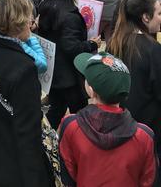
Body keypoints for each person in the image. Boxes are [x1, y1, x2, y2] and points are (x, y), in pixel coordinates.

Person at [0, 0, 53, 187]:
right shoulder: (24, 68)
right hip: (16, 169)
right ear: (16, 25)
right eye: (27, 20)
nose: (30, 24)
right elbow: (28, 132)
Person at [59, 51, 156, 187]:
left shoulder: (71, 125)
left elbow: (68, 175)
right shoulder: (145, 136)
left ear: (91, 90)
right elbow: (148, 180)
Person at [38, 0, 100, 129]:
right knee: (80, 115)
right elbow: (71, 47)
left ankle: (44, 141)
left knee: (56, 109)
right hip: (69, 75)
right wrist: (91, 44)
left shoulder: (47, 8)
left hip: (53, 71)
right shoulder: (69, 16)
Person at [108, 0, 161, 162]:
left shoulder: (114, 43)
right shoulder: (153, 50)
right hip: (148, 127)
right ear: (145, 17)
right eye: (159, 13)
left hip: (118, 123)